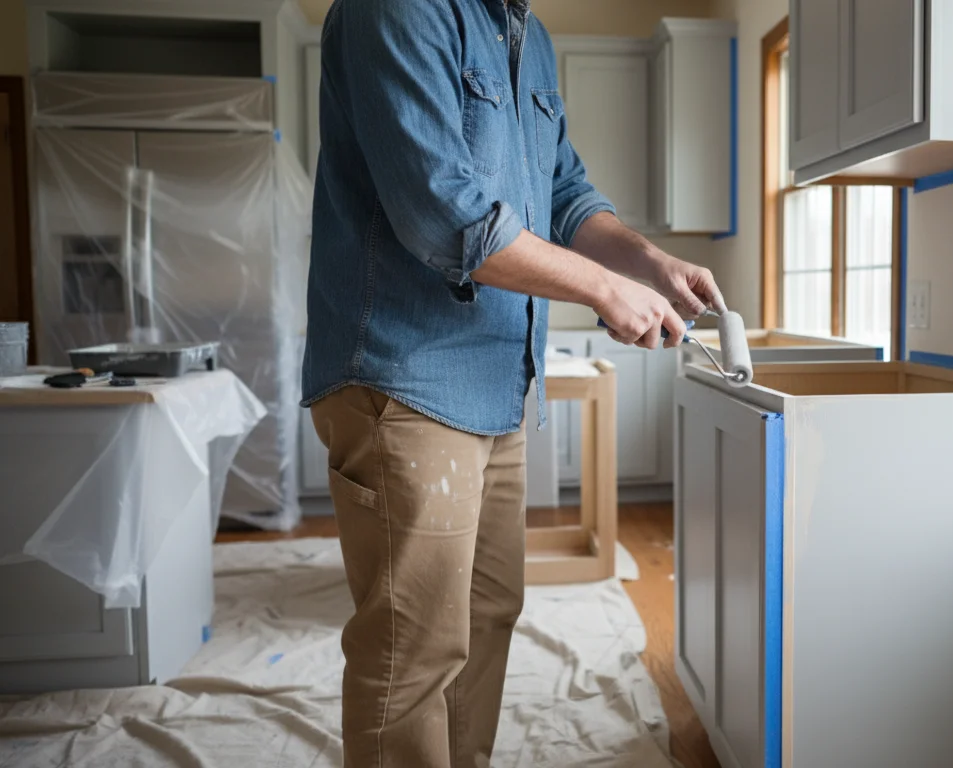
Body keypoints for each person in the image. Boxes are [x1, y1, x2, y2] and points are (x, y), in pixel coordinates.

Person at [302, 0, 727, 765]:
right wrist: (602, 289)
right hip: (407, 377)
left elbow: (565, 191)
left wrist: (647, 262)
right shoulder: (396, 10)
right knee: (414, 647)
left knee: (488, 613)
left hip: (499, 377)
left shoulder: (529, 38)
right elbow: (441, 211)